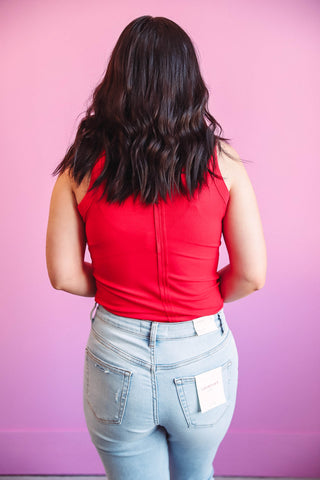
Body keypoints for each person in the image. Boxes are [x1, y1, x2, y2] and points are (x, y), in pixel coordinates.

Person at [46, 15, 267, 480]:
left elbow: (64, 274)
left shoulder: (79, 167)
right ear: (188, 80)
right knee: (197, 472)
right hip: (201, 351)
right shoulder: (223, 162)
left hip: (117, 353)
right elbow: (251, 274)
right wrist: (197, 294)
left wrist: (119, 284)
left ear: (116, 80)